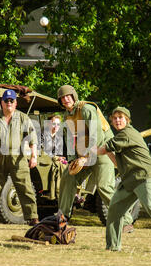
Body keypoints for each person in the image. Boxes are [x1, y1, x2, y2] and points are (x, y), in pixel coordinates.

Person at [97, 106, 151, 252]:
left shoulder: (127, 133)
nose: (117, 120)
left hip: (144, 176)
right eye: (115, 118)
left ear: (127, 120)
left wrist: (88, 153)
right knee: (114, 209)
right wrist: (106, 151)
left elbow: (105, 148)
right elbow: (115, 159)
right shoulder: (122, 137)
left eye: (121, 117)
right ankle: (112, 246)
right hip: (130, 180)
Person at [57, 85, 134, 232]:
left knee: (104, 187)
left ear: (74, 96)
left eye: (68, 96)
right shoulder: (67, 116)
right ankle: (62, 217)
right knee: (68, 176)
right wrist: (74, 159)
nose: (65, 99)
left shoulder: (86, 109)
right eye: (62, 97)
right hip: (85, 153)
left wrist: (87, 157)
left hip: (103, 150)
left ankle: (126, 222)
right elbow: (70, 139)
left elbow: (96, 135)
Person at [0, 89, 39, 226]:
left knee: (25, 188)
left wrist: (34, 156)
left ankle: (33, 217)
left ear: (16, 103)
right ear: (1, 103)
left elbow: (33, 139)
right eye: (6, 101)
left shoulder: (23, 118)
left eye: (11, 101)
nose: (9, 103)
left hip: (18, 158)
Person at [42, 114, 67, 200]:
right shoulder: (43, 135)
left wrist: (61, 158)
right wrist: (55, 157)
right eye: (53, 124)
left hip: (56, 160)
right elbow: (42, 151)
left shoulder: (59, 137)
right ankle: (56, 193)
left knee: (64, 166)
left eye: (58, 124)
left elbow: (62, 152)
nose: (56, 126)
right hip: (44, 159)